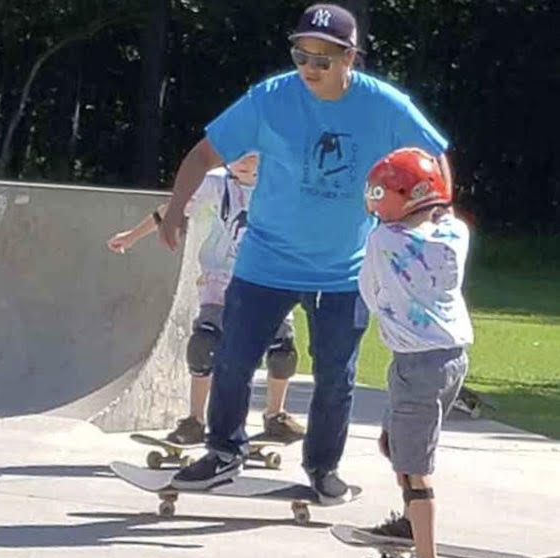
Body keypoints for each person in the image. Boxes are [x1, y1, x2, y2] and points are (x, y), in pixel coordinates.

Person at [157, 3, 452, 504]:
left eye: (323, 59)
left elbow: (435, 160)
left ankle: (322, 468)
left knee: (336, 376)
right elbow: (204, 153)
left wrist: (432, 223)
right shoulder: (270, 99)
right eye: (302, 56)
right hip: (266, 259)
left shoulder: (384, 105)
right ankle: (224, 452)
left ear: (349, 58)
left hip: (344, 269)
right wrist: (177, 208)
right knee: (231, 359)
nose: (310, 69)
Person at [107, 154, 305, 444]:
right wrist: (132, 236)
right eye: (236, 156)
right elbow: (173, 210)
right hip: (220, 278)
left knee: (282, 351)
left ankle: (276, 416)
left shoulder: (284, 185)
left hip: (269, 280)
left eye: (249, 158)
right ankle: (195, 420)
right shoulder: (215, 183)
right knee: (204, 344)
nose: (241, 163)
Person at [358, 148, 473, 558]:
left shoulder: (384, 240)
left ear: (407, 196)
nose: (373, 202)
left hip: (416, 363)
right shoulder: (454, 234)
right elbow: (441, 211)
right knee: (396, 444)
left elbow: (369, 287)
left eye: (380, 193)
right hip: (449, 359)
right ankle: (409, 522)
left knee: (413, 464)